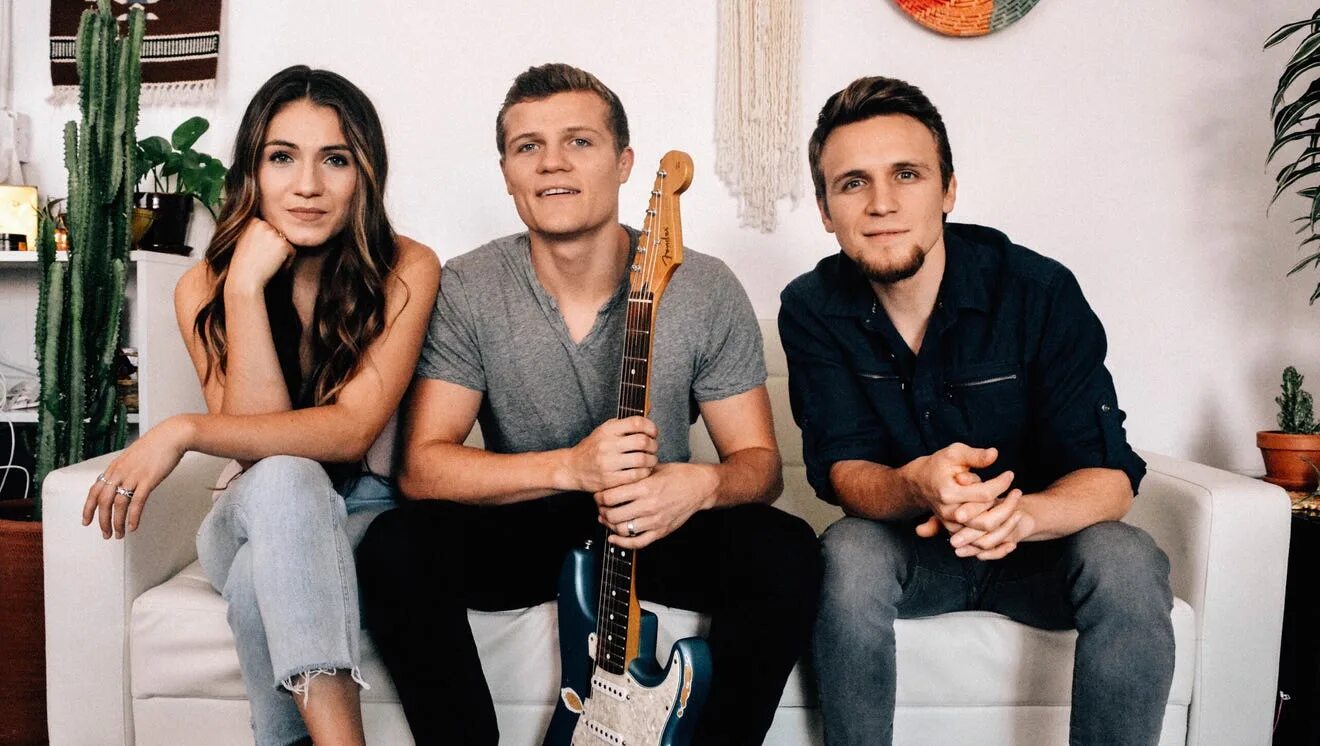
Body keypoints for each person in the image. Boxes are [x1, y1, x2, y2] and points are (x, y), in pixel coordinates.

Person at [355, 62, 820, 745]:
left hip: (653, 523)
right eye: (528, 146)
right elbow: (423, 468)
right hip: (531, 516)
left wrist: (700, 486)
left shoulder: (704, 286)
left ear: (624, 162)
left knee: (787, 550)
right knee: (395, 547)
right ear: (507, 174)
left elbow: (760, 464)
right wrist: (571, 467)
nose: (553, 163)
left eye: (579, 141)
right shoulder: (469, 286)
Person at [779, 75, 1175, 745]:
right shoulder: (811, 306)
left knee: (1127, 558)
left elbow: (1110, 479)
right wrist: (916, 484)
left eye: (907, 174)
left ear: (949, 190)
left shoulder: (1039, 291)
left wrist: (1020, 517)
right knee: (847, 551)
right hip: (912, 554)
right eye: (853, 183)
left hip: (1043, 553)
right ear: (824, 210)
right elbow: (844, 470)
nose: (881, 203)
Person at [82, 65, 440, 746]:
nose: (307, 185)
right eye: (282, 158)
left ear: (365, 174)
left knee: (257, 580)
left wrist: (184, 429)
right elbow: (260, 452)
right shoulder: (203, 286)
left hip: (363, 515)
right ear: (252, 168)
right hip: (245, 513)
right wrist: (244, 287)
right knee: (284, 478)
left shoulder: (407, 268)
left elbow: (352, 431)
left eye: (335, 159)